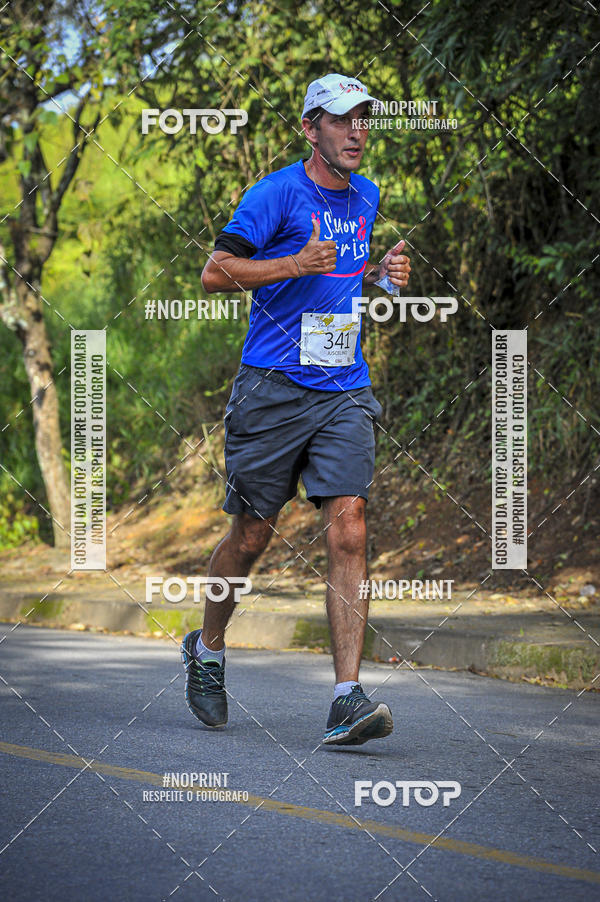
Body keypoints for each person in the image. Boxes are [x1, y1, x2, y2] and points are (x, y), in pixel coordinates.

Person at [181, 73, 411, 745]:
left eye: (363, 119)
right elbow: (214, 273)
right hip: (272, 388)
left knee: (349, 527)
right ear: (311, 128)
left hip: (343, 387)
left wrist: (381, 276)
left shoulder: (366, 195)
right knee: (252, 536)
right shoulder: (275, 194)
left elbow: (343, 273)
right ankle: (207, 648)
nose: (356, 132)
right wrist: (293, 265)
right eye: (341, 120)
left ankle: (346, 698)